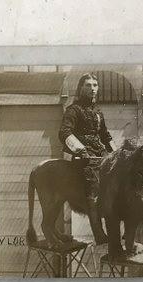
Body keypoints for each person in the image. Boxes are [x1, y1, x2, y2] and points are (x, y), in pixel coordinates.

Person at [58, 73, 116, 240]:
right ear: (80, 88)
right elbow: (64, 132)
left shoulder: (98, 111)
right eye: (88, 85)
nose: (92, 89)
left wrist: (116, 152)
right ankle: (99, 234)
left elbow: (105, 135)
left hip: (101, 155)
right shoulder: (73, 110)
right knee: (93, 187)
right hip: (84, 158)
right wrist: (81, 150)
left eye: (95, 85)